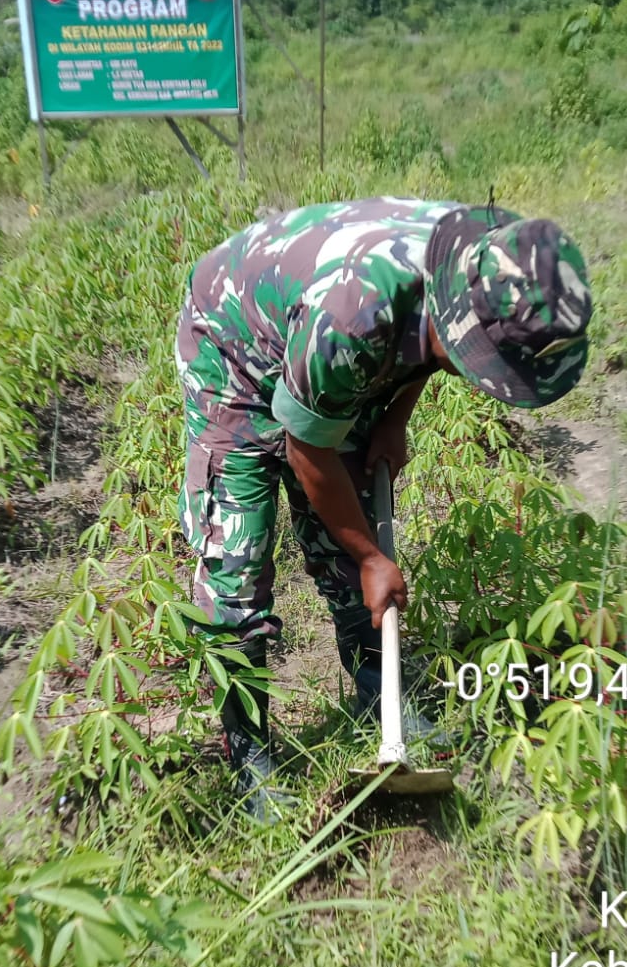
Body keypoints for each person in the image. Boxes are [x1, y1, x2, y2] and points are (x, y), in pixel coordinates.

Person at [175, 196, 593, 819]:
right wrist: (373, 557)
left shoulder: (501, 261)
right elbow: (307, 450)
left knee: (345, 544)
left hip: (318, 338)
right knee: (236, 570)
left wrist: (395, 417)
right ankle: (248, 752)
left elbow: (432, 344)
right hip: (233, 345)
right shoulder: (354, 316)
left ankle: (378, 690)